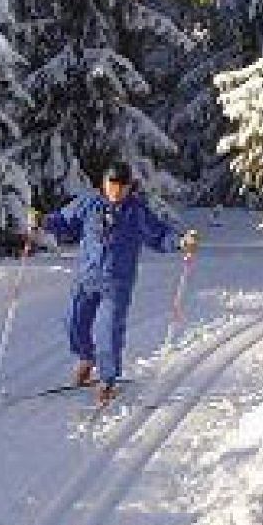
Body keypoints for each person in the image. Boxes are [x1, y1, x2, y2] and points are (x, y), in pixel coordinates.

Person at [29, 162, 199, 406]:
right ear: (104, 184)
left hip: (117, 282)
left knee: (108, 331)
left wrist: (181, 242)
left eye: (122, 187)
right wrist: (42, 221)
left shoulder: (136, 211)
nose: (116, 191)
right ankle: (87, 358)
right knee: (73, 323)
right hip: (87, 278)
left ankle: (107, 380)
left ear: (129, 187)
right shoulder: (89, 203)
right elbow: (64, 221)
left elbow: (159, 235)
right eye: (112, 185)